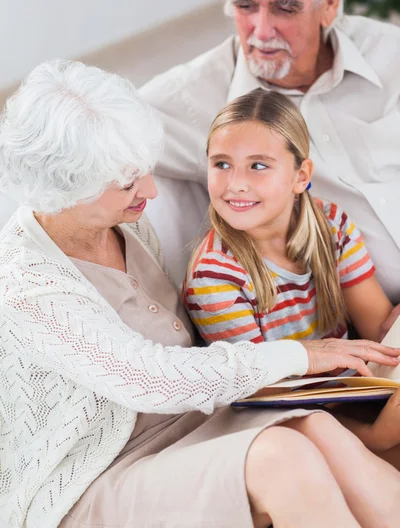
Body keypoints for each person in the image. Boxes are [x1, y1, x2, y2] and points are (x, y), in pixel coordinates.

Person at [1, 61, 400, 528]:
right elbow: (150, 378)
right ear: (69, 191)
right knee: (280, 457)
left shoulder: (121, 222)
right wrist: (299, 355)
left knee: (316, 427)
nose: (149, 190)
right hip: (95, 477)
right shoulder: (26, 284)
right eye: (129, 182)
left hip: (193, 424)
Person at [139, 0, 400, 307]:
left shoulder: (390, 55)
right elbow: (93, 127)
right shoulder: (194, 98)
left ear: (330, 1)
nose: (261, 32)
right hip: (373, 318)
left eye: (285, 7)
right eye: (246, 6)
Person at [184, 89, 394, 346]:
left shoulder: (332, 225)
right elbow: (261, 382)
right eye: (222, 164)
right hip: (284, 387)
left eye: (258, 165)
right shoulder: (214, 276)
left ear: (301, 176)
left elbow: (381, 335)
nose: (236, 184)